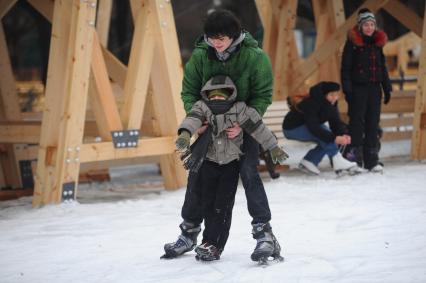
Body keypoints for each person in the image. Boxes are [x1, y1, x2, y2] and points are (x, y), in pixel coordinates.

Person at [162, 9, 282, 262]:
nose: (216, 44)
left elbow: (263, 94)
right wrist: (199, 119)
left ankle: (264, 234)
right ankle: (189, 232)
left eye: (221, 39)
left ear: (234, 36)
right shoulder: (201, 55)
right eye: (212, 38)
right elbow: (189, 91)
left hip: (243, 122)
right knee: (196, 177)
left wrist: (244, 123)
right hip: (210, 128)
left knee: (249, 174)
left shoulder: (254, 57)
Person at [167, 75, 288, 261]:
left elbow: (258, 128)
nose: (216, 99)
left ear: (230, 95)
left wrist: (273, 147)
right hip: (207, 161)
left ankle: (214, 244)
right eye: (212, 96)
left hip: (230, 165)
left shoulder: (240, 109)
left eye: (221, 96)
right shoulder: (203, 107)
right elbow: (192, 119)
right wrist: (185, 134)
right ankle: (190, 236)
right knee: (202, 199)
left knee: (221, 207)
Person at [341, 8, 392, 172]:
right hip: (358, 89)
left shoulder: (377, 45)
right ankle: (354, 159)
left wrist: (387, 88)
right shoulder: (353, 44)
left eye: (372, 24)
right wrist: (347, 90)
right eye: (366, 25)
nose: (369, 28)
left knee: (373, 123)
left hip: (375, 89)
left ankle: (372, 160)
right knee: (357, 123)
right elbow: (345, 68)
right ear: (360, 26)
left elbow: (382, 67)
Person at [282, 81, 360, 175]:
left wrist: (343, 134)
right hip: (292, 129)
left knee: (326, 135)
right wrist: (334, 138)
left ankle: (310, 161)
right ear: (324, 95)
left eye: (336, 95)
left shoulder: (331, 103)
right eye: (331, 95)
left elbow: (335, 122)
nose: (335, 98)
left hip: (308, 126)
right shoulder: (312, 103)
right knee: (325, 134)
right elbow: (313, 127)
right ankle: (337, 160)